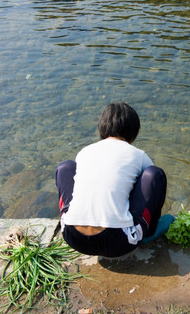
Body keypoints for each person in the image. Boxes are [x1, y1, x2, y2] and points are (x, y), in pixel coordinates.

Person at [55, 102, 174, 258]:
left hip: (73, 237)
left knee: (65, 167)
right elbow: (150, 186)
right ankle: (148, 232)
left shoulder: (85, 151)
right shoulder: (138, 155)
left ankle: (69, 218)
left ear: (102, 129)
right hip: (118, 243)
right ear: (133, 132)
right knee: (154, 174)